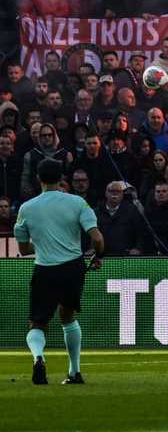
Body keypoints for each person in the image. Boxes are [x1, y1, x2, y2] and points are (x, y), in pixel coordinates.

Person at [15, 159, 104, 385]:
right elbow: (98, 239)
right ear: (62, 178)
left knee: (37, 323)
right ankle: (74, 372)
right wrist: (96, 256)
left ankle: (38, 358)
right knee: (68, 316)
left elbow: (24, 248)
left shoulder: (26, 208)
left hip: (44, 269)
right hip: (72, 267)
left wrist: (44, 244)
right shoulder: (78, 203)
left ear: (38, 178)